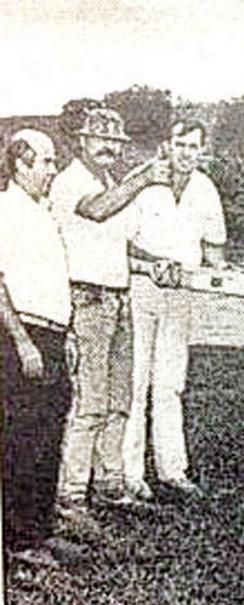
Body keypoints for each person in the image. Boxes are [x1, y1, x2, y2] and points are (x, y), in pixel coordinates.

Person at [50, 106, 168, 535]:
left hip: (119, 299)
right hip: (88, 302)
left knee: (121, 400)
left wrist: (157, 263)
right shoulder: (69, 183)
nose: (109, 147)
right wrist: (145, 177)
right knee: (90, 404)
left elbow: (120, 244)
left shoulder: (112, 183)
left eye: (116, 142)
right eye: (100, 139)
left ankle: (111, 486)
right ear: (81, 141)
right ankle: (72, 495)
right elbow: (98, 211)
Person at [122, 119, 229, 501]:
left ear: (203, 150)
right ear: (168, 144)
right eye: (180, 144)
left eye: (193, 146)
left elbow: (215, 250)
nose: (186, 153)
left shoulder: (206, 189)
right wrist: (155, 263)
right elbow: (121, 245)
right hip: (141, 290)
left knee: (169, 383)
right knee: (135, 383)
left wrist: (226, 275)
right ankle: (130, 475)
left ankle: (173, 471)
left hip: (180, 295)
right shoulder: (145, 181)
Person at [0, 129, 83, 567]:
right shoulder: (6, 211)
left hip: (51, 335)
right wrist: (22, 342)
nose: (53, 170)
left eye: (52, 162)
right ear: (20, 165)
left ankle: (41, 529)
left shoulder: (41, 211)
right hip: (23, 338)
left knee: (50, 434)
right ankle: (18, 539)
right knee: (23, 438)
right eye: (46, 162)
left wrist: (63, 338)